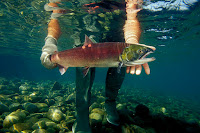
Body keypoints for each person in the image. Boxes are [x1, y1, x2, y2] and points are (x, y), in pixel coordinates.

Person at [40, 0, 152, 133]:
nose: (96, 6)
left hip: (118, 33)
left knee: (122, 63)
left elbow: (132, 17)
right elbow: (55, 13)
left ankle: (110, 103)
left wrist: (132, 43)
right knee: (83, 60)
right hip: (85, 32)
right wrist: (50, 44)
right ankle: (81, 114)